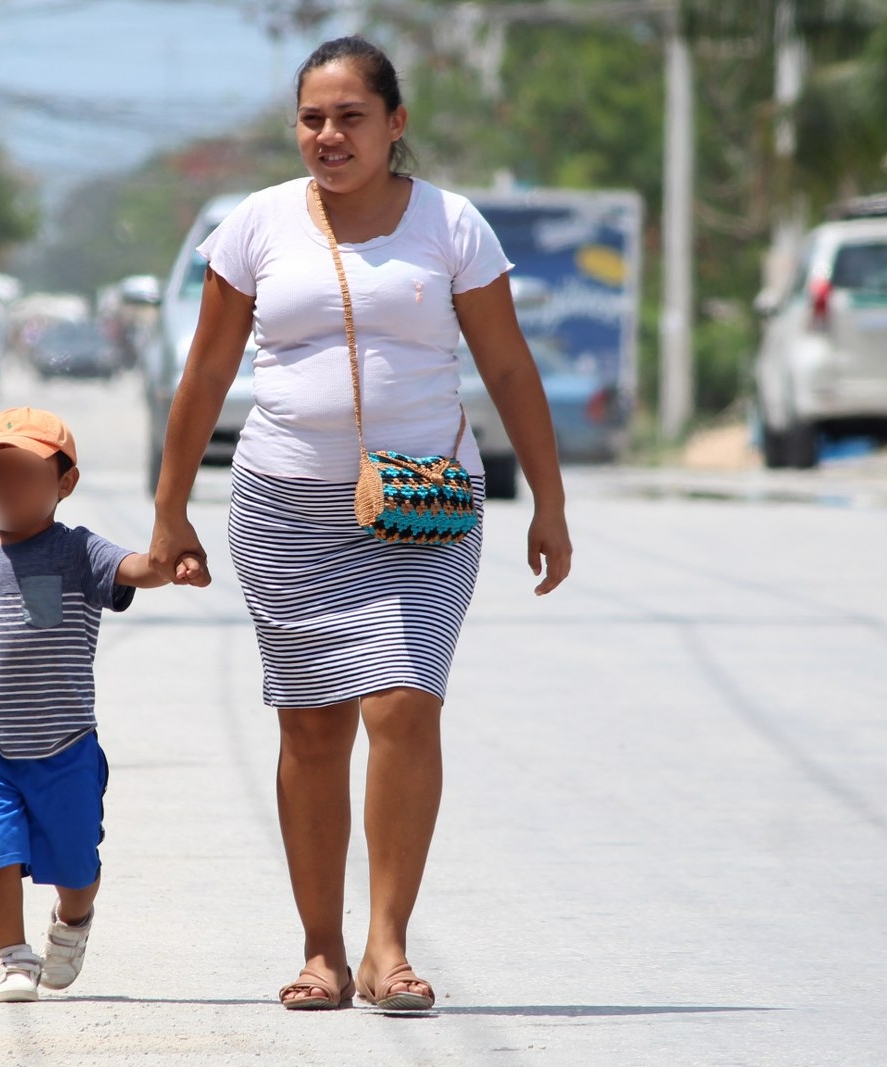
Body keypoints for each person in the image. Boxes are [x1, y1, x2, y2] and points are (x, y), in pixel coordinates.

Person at [149, 35, 573, 1012]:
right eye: (311, 118)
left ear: (395, 123)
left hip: (424, 508)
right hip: (285, 508)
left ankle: (387, 944)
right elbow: (206, 374)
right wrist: (170, 511)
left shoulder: (452, 226)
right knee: (310, 726)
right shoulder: (254, 226)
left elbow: (507, 368)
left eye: (349, 117)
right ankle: (319, 949)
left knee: (403, 704)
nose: (328, 136)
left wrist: (547, 500)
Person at [0, 407, 167, 1002]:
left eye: (23, 475)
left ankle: (74, 919)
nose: (5, 487)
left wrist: (164, 563)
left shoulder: (78, 552)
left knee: (77, 862)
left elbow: (132, 568)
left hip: (65, 748)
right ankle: (12, 957)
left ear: (64, 484)